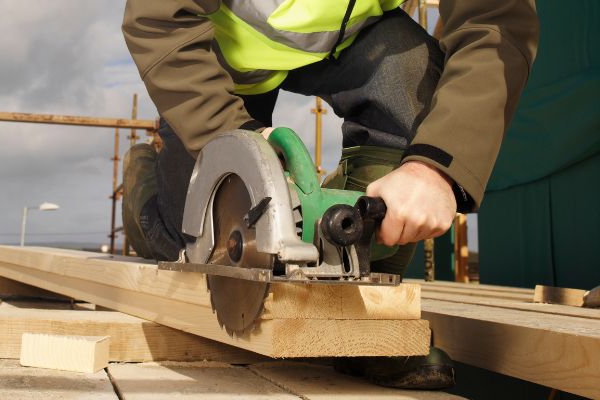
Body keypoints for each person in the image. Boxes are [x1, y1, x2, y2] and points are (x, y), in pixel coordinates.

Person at [120, 0, 538, 389]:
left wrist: (435, 166)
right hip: (219, 54)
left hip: (357, 38)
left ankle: (362, 311)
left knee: (414, 73)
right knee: (194, 241)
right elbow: (157, 17)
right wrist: (237, 138)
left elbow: (496, 21)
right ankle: (144, 194)